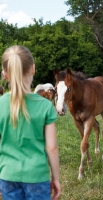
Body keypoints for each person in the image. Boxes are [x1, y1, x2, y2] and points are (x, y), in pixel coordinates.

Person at [0, 45, 61, 200]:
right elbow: (52, 148)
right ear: (33, 68)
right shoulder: (46, 106)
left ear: (5, 74)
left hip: (7, 176)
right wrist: (56, 178)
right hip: (37, 176)